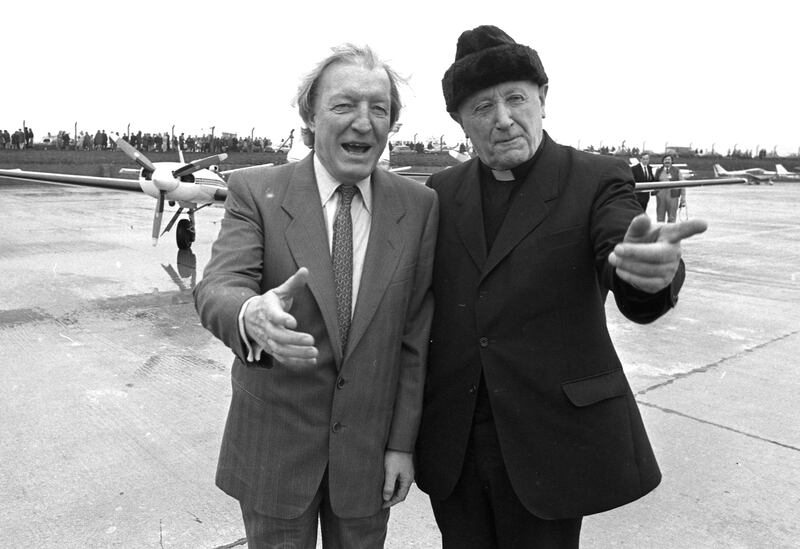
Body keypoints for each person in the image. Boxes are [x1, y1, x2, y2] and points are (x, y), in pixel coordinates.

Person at [414, 25, 708, 548]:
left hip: (548, 438)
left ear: (543, 100)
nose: (503, 120)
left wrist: (644, 272)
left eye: (515, 99)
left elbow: (619, 241)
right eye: (481, 108)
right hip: (454, 440)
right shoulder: (439, 192)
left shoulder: (595, 178)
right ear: (460, 122)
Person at [194, 43, 438, 549]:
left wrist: (401, 445)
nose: (363, 123)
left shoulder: (419, 207)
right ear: (310, 114)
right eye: (344, 105)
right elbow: (218, 285)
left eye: (379, 109)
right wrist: (248, 312)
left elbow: (414, 339)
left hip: (369, 458)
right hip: (274, 452)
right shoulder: (255, 190)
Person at [655, 154, 685, 222]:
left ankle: (670, 231)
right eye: (665, 160)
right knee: (660, 217)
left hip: (673, 196)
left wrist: (683, 197)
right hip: (661, 197)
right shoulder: (658, 171)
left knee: (672, 217)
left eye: (669, 160)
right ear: (663, 161)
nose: (667, 161)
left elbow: (683, 184)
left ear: (672, 161)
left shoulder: (676, 171)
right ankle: (660, 231)